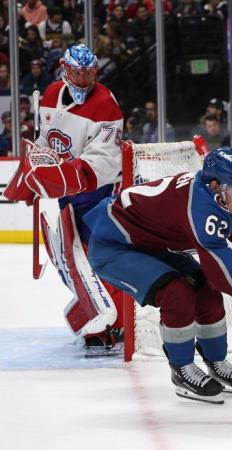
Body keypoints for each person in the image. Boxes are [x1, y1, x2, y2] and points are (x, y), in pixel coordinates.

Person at [84, 147, 232, 403]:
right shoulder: (199, 205)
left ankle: (217, 361)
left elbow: (231, 221)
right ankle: (182, 369)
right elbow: (221, 267)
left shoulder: (214, 192)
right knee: (177, 293)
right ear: (216, 185)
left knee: (205, 289)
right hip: (113, 248)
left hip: (147, 243)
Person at [3, 44, 126, 353]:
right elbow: (46, 142)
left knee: (100, 255)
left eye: (89, 73)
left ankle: (116, 321)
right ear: (63, 67)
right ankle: (98, 317)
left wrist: (61, 177)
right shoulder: (50, 94)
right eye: (77, 73)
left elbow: (105, 159)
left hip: (98, 192)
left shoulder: (107, 105)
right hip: (67, 192)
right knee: (75, 259)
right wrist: (33, 173)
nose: (84, 80)